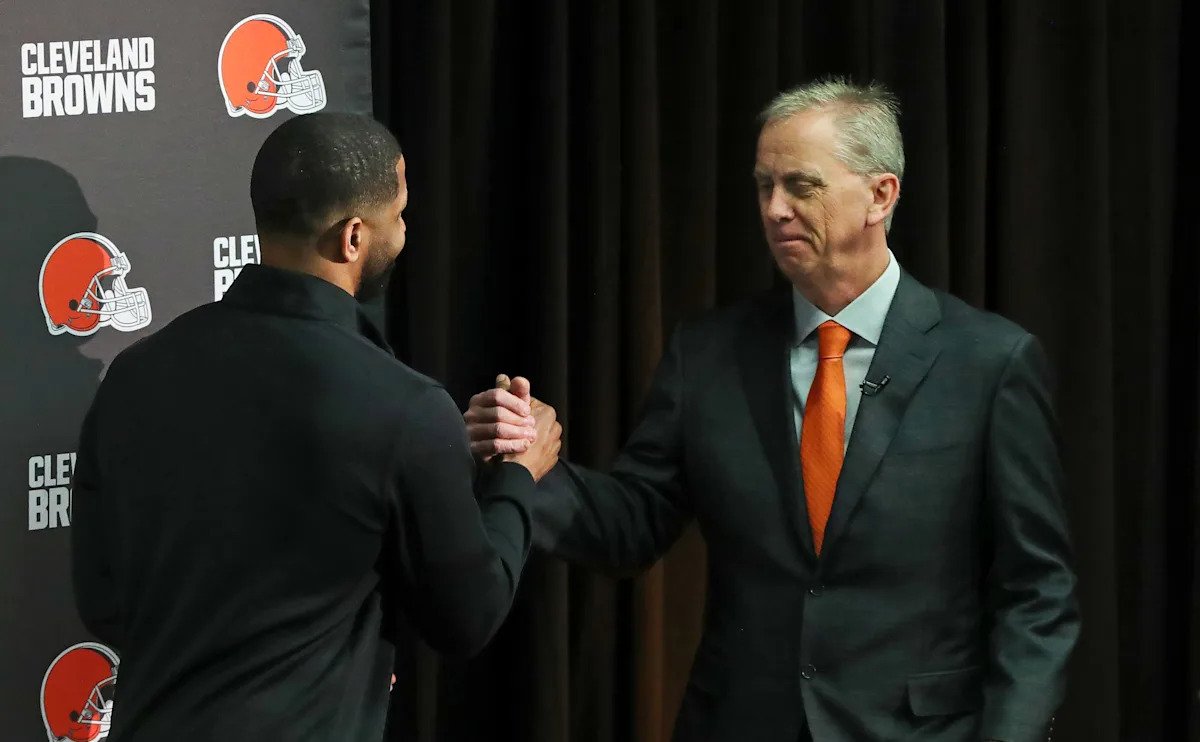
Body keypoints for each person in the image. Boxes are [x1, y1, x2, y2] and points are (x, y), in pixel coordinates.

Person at [466, 79, 1079, 742]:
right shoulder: (708, 355)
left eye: (801, 186)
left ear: (881, 195)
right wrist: (529, 465)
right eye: (765, 186)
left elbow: (1037, 593)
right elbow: (632, 526)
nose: (776, 209)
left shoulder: (988, 362)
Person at [70, 112, 561, 741]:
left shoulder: (133, 375)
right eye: (400, 214)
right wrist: (518, 474)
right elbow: (468, 617)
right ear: (352, 237)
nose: (405, 231)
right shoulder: (404, 406)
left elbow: (103, 601)